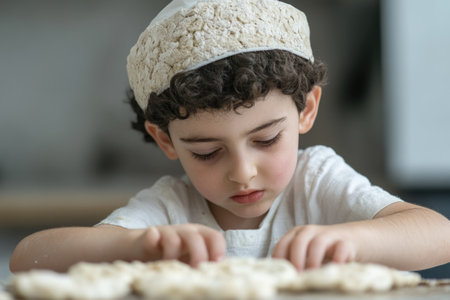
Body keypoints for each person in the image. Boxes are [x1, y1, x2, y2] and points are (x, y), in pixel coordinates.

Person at [10, 0, 450, 273]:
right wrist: (136, 245)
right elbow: (29, 257)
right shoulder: (170, 210)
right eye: (206, 152)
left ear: (307, 109)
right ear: (165, 141)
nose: (243, 173)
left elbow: (438, 235)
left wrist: (355, 240)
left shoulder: (316, 181)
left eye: (265, 140)